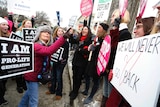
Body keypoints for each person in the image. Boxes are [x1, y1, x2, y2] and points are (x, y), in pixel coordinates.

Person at [18, 25, 70, 107]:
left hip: (37, 76)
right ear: (39, 34)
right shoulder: (36, 45)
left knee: (28, 94)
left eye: (49, 33)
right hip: (31, 76)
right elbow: (48, 51)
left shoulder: (44, 45)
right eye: (44, 32)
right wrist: (63, 38)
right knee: (34, 101)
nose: (47, 34)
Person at [106, 9, 132, 107]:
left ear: (119, 17)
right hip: (108, 69)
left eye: (113, 15)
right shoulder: (115, 32)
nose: (111, 17)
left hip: (114, 72)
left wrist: (112, 68)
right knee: (105, 93)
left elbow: (119, 54)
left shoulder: (125, 34)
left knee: (110, 96)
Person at [82, 23, 109, 104]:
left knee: (96, 81)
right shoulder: (97, 38)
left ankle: (91, 96)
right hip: (92, 61)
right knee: (87, 75)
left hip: (98, 64)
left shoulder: (106, 40)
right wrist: (91, 47)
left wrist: (97, 47)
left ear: (103, 30)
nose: (97, 29)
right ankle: (86, 90)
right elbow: (93, 46)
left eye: (99, 27)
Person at [69, 26, 93, 105]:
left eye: (86, 29)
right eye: (83, 29)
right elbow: (72, 41)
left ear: (88, 31)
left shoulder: (89, 40)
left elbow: (87, 51)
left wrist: (80, 49)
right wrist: (71, 34)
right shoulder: (79, 38)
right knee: (74, 76)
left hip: (82, 63)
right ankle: (73, 90)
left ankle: (75, 92)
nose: (84, 30)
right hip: (75, 61)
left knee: (78, 77)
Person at [45, 27, 69, 100]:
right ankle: (52, 90)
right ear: (56, 32)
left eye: (62, 31)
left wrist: (61, 58)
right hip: (53, 61)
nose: (60, 32)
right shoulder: (52, 40)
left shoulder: (65, 42)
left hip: (61, 62)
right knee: (53, 76)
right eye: (59, 31)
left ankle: (59, 93)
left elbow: (66, 53)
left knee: (59, 77)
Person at [14, 19, 33, 93]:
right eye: (28, 23)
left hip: (28, 53)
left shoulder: (32, 33)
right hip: (19, 53)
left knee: (26, 70)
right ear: (24, 24)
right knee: (19, 70)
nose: (29, 25)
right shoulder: (19, 32)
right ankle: (19, 85)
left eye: (30, 24)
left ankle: (24, 83)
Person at [0, 17, 9, 106]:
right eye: (3, 24)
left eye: (7, 25)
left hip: (5, 65)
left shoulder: (8, 36)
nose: (6, 26)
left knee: (3, 84)